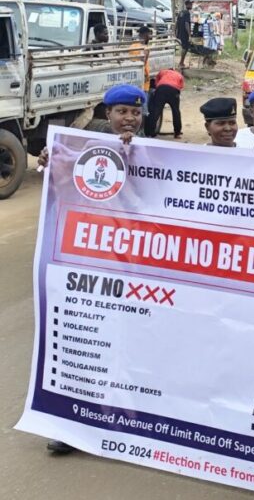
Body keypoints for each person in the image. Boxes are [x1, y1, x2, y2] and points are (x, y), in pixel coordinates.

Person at [40, 85, 148, 456]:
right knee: (79, 344)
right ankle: (70, 424)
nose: (129, 118)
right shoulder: (87, 144)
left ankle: (120, 417)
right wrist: (48, 156)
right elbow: (61, 171)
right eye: (122, 112)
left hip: (132, 264)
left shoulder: (154, 152)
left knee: (126, 343)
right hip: (86, 261)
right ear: (108, 113)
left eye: (135, 113)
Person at [146, 69, 185, 139]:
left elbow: (156, 83)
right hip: (174, 90)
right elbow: (181, 87)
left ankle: (150, 133)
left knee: (156, 111)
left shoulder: (162, 71)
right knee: (176, 112)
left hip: (161, 89)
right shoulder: (179, 75)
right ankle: (177, 133)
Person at [130, 26, 152, 114]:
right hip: (143, 77)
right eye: (149, 35)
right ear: (145, 35)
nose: (150, 37)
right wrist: (146, 75)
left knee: (136, 99)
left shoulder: (132, 46)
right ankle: (144, 115)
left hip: (134, 76)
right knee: (143, 99)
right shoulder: (145, 48)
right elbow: (143, 63)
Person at [176, 0, 193, 69]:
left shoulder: (181, 12)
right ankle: (181, 63)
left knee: (184, 47)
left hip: (180, 33)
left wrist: (176, 33)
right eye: (191, 4)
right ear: (187, 5)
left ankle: (181, 62)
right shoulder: (187, 13)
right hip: (185, 34)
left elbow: (177, 23)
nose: (191, 6)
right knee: (185, 48)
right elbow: (186, 24)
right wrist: (189, 35)